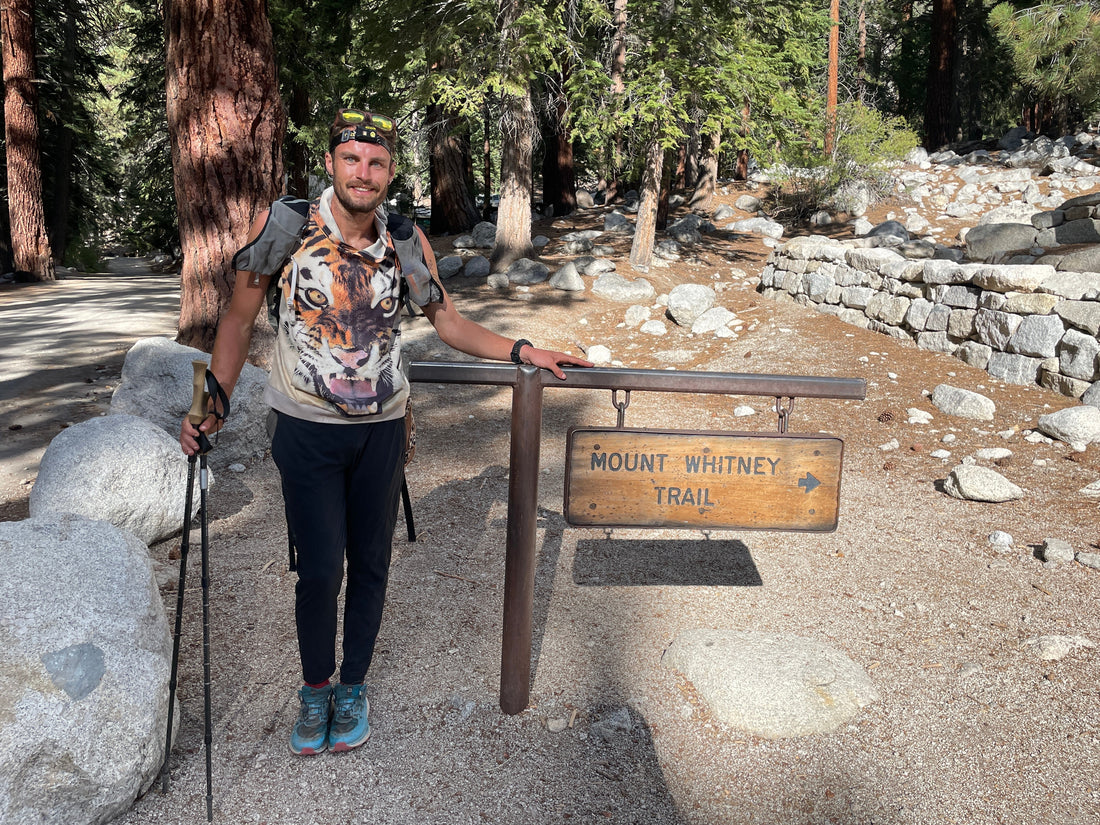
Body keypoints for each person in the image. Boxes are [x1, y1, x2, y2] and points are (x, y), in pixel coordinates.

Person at [179, 108, 591, 755]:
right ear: (331, 164)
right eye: (351, 159)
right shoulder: (285, 226)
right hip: (305, 428)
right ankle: (315, 687)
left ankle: (354, 686)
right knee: (319, 569)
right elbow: (235, 319)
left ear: (390, 171)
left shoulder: (404, 240)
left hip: (381, 431)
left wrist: (523, 349)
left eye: (375, 162)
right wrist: (211, 401)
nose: (362, 172)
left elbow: (450, 324)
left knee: (371, 564)